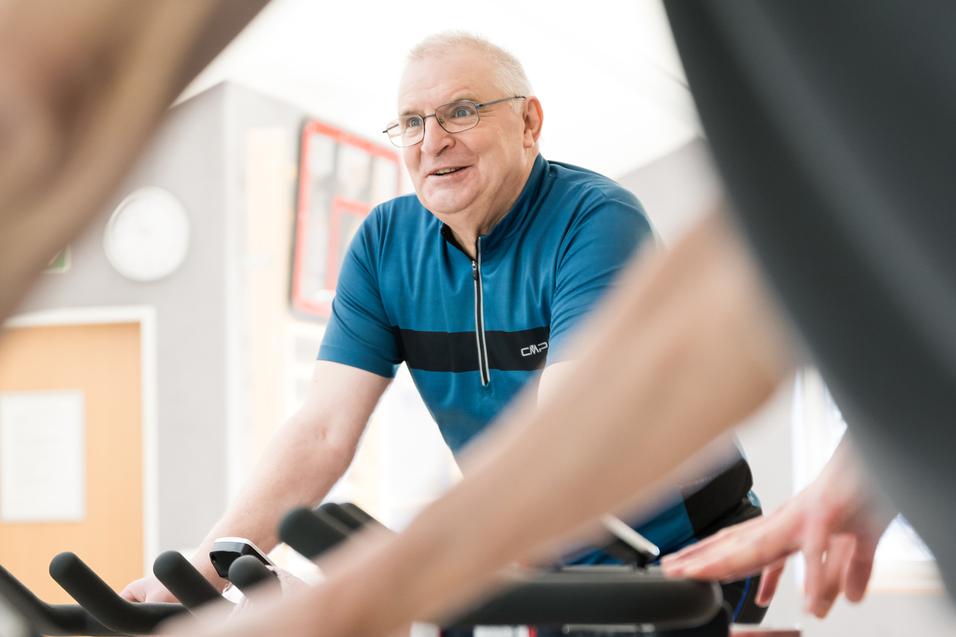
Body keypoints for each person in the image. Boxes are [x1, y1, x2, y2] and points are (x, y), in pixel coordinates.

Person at [123, 32, 767, 626]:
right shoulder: (384, 245)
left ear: (529, 123)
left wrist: (377, 585)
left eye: (461, 111)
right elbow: (321, 431)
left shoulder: (595, 221)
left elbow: (568, 428)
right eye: (412, 122)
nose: (432, 142)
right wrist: (205, 567)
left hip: (681, 551)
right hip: (543, 559)